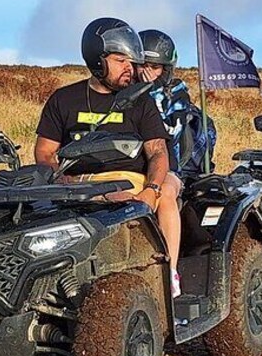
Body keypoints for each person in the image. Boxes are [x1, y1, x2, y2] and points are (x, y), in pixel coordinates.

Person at [34, 17, 183, 296]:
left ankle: (169, 275)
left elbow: (158, 151)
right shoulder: (63, 100)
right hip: (80, 183)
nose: (130, 69)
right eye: (120, 61)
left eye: (132, 62)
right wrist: (58, 177)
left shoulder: (140, 100)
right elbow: (45, 151)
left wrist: (151, 190)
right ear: (97, 60)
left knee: (165, 192)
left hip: (131, 180)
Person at [137, 28, 191, 294]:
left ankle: (171, 271)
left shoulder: (178, 93)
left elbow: (171, 131)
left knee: (165, 195)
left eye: (154, 67)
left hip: (169, 166)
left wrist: (153, 92)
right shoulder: (125, 91)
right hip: (130, 165)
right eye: (142, 65)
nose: (147, 72)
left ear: (166, 68)